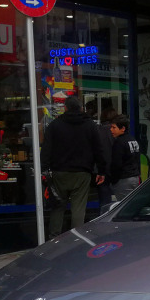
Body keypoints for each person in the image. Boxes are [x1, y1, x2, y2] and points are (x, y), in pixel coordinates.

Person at [42, 95, 109, 235]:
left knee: (58, 207)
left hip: (59, 172)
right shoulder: (90, 125)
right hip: (82, 173)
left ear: (65, 108)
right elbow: (99, 149)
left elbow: (46, 149)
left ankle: (54, 238)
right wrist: (101, 171)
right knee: (79, 208)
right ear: (81, 108)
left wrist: (45, 169)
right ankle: (76, 238)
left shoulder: (55, 125)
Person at [107, 113, 142, 202]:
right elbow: (137, 160)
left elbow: (116, 164)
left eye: (114, 127)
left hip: (123, 180)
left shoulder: (119, 142)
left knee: (125, 208)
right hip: (135, 178)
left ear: (122, 128)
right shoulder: (133, 140)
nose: (111, 130)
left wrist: (113, 180)